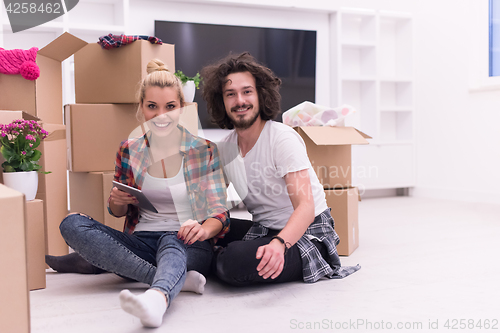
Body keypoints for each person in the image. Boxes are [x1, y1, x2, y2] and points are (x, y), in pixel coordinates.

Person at [47, 59, 229, 328]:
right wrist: (116, 201)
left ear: (182, 108)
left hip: (188, 242)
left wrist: (203, 230)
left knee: (171, 241)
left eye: (170, 107)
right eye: (152, 107)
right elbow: (118, 211)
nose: (161, 115)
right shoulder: (129, 149)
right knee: (72, 223)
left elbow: (220, 214)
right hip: (142, 240)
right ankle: (176, 278)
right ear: (141, 108)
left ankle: (158, 297)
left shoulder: (204, 150)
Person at [201, 52, 360, 286]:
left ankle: (211, 263)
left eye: (247, 92)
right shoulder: (225, 147)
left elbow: (306, 208)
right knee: (201, 230)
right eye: (230, 94)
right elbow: (214, 204)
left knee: (233, 261)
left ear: (260, 95)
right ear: (221, 102)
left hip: (306, 233)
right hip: (264, 229)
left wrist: (279, 244)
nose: (240, 101)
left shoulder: (281, 138)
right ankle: (209, 259)